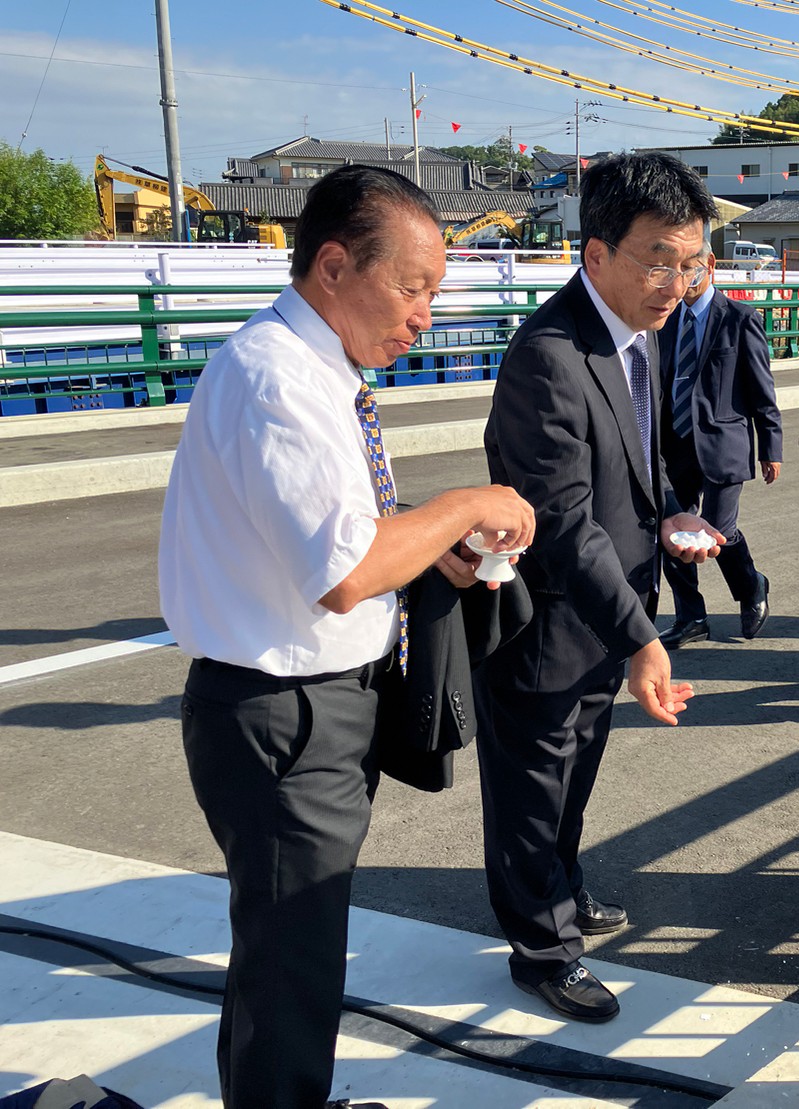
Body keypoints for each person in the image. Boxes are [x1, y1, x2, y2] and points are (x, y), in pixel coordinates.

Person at [159, 164, 536, 1109]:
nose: (423, 318)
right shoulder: (277, 379)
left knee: (289, 949)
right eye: (411, 289)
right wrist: (461, 507)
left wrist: (435, 547)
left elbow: (342, 535)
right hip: (283, 715)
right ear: (334, 266)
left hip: (305, 708)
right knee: (292, 958)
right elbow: (343, 571)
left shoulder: (315, 371)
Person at [477, 151, 723, 1024]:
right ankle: (541, 950)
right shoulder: (549, 356)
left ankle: (563, 887)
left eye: (689, 263)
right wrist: (642, 637)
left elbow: (635, 461)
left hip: (607, 613)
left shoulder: (633, 332)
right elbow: (563, 522)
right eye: (658, 260)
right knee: (533, 790)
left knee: (574, 771)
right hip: (550, 622)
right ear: (595, 252)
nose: (676, 284)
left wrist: (670, 513)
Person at [655, 239, 784, 649]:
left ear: (709, 264)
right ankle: (691, 617)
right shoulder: (665, 319)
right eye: (675, 268)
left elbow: (762, 387)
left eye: (691, 266)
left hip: (723, 442)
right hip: (673, 443)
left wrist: (771, 447)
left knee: (719, 529)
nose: (684, 277)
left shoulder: (739, 318)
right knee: (673, 532)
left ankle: (751, 586)